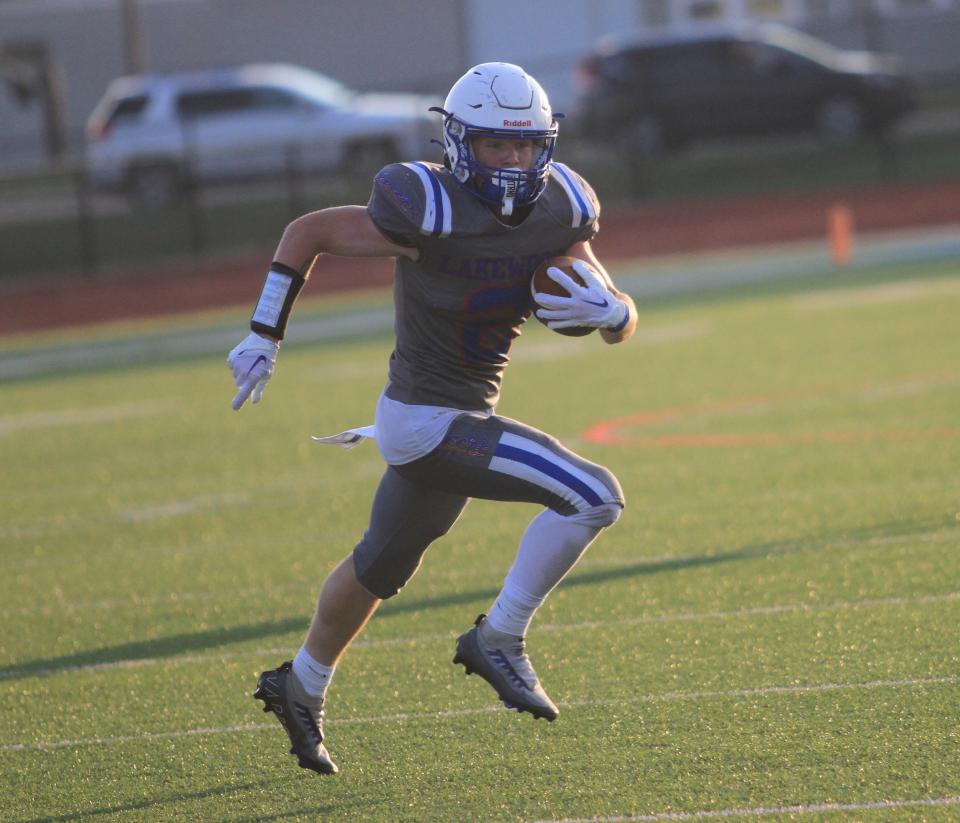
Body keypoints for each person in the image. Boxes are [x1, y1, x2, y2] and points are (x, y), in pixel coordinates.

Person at [227, 62, 636, 775]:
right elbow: (307, 232)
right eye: (493, 146)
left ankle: (299, 683)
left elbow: (597, 292)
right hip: (425, 420)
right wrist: (265, 331)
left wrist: (618, 311)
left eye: (523, 145)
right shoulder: (427, 204)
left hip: (459, 416)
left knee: (379, 567)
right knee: (593, 494)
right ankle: (499, 637)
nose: (511, 161)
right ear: (457, 143)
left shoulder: (561, 204)